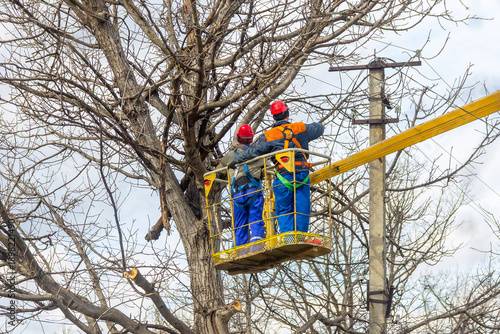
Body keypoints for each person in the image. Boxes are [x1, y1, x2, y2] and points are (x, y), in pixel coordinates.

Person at [228, 101, 324, 236]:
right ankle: (301, 236)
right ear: (287, 113)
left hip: (283, 176)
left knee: (284, 207)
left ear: (274, 117)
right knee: (302, 207)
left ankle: (288, 236)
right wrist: (308, 128)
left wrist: (235, 161)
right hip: (302, 174)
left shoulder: (269, 136)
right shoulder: (300, 128)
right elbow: (319, 128)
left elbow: (252, 153)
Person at [220, 124, 265, 247]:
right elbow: (266, 166)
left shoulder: (229, 157)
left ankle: (241, 250)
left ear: (238, 139)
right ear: (251, 139)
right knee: (256, 219)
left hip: (237, 195)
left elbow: (222, 165)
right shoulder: (257, 155)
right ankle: (257, 245)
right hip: (253, 193)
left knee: (240, 224)